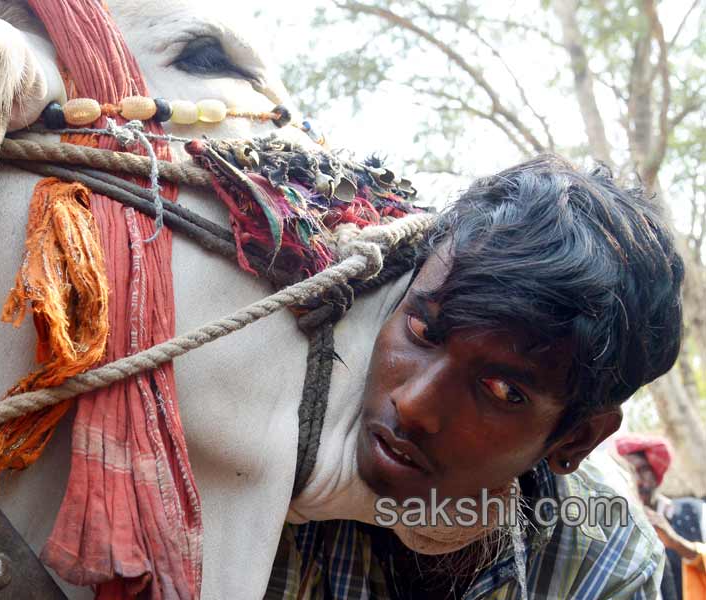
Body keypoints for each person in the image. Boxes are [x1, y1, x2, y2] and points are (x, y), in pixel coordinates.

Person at [266, 155, 686, 599]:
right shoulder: (263, 436)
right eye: (422, 331)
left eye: (503, 390)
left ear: (576, 439)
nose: (413, 405)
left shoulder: (607, 565)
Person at [616, 434, 706, 600]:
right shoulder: (618, 531)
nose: (638, 481)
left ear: (655, 472)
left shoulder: (695, 511)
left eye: (642, 470)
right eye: (629, 473)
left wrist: (676, 542)